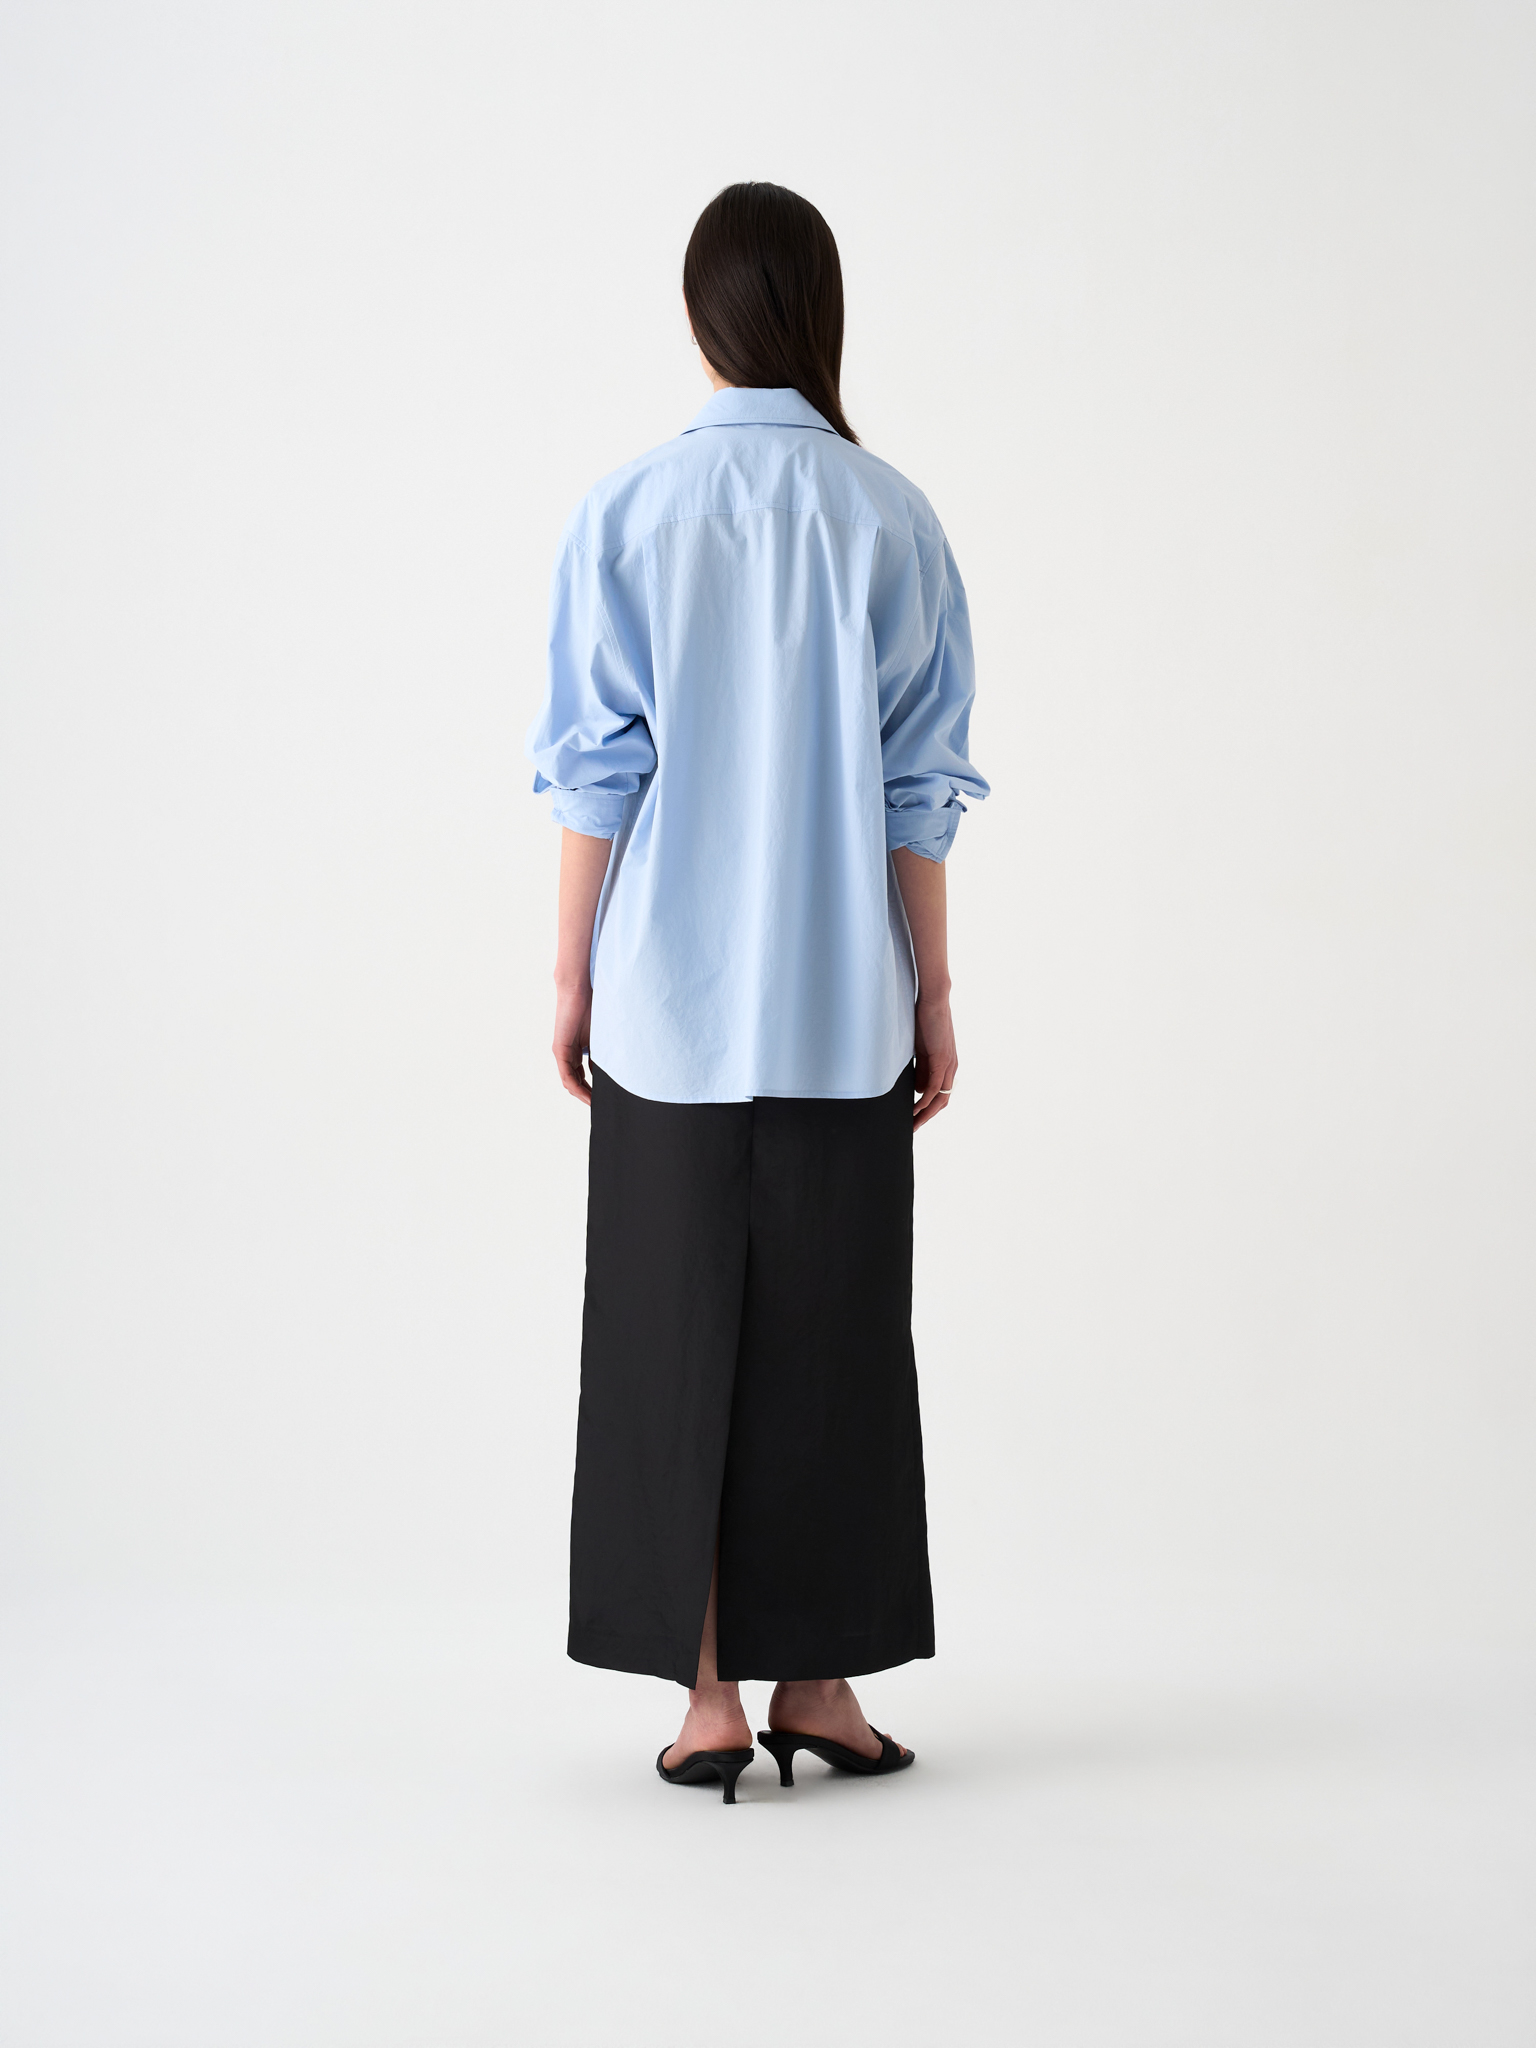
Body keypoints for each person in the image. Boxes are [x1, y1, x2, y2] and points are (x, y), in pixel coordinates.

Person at [526, 181, 988, 1804]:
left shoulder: (629, 511)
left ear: (699, 318)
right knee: (835, 1343)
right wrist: (935, 991)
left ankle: (709, 1699)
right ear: (822, 312)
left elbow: (594, 769)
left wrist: (570, 974)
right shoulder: (892, 518)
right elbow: (920, 789)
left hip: (665, 999)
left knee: (668, 1341)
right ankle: (822, 1684)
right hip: (838, 1000)